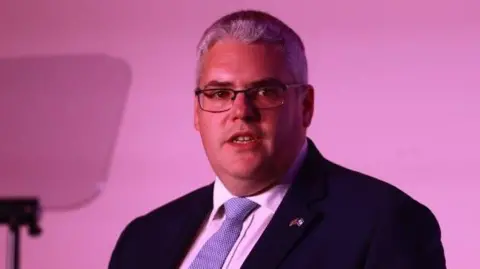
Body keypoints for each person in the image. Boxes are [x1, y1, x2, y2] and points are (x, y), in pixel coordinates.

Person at [108, 9, 446, 269]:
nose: (241, 110)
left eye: (265, 91)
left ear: (306, 107)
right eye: (219, 93)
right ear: (197, 113)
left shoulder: (384, 223)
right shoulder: (143, 239)